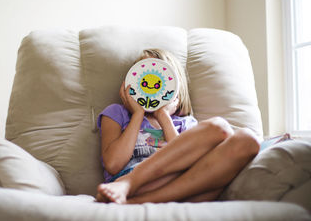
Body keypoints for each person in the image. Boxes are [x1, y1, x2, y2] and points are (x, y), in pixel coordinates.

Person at [96, 48, 260, 204]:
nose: (153, 87)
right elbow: (114, 164)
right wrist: (138, 114)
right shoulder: (117, 113)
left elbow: (189, 164)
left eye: (161, 82)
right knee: (219, 127)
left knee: (247, 140)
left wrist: (163, 116)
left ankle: (135, 203)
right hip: (131, 179)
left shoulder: (185, 123)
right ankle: (129, 183)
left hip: (179, 182)